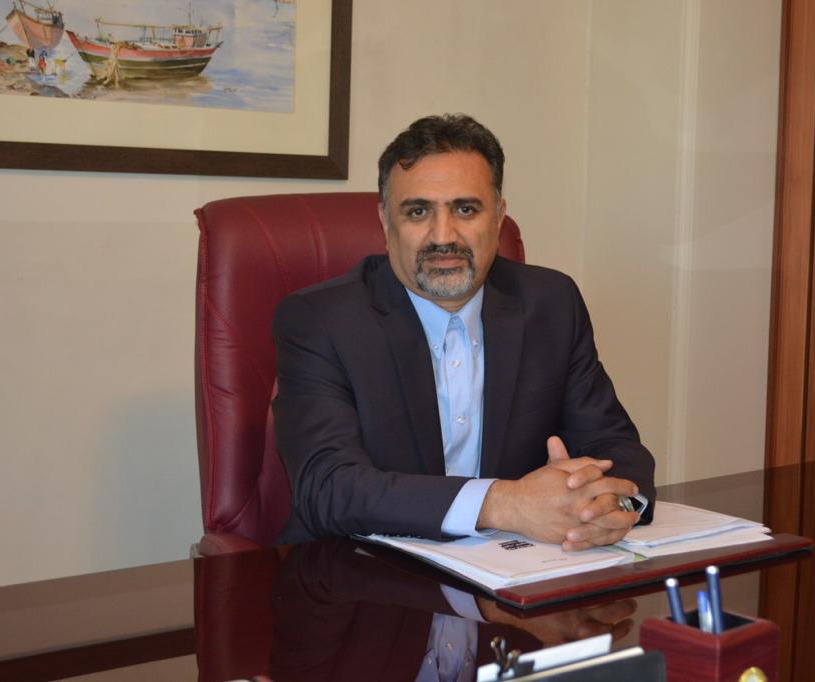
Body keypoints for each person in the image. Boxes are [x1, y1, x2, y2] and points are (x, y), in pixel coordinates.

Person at [273, 114, 655, 552]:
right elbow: (327, 486)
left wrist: (608, 508)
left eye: (465, 209)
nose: (443, 236)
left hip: (515, 573)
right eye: (418, 211)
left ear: (499, 216)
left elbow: (614, 445)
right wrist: (503, 503)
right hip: (361, 570)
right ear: (385, 220)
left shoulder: (550, 303)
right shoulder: (321, 320)